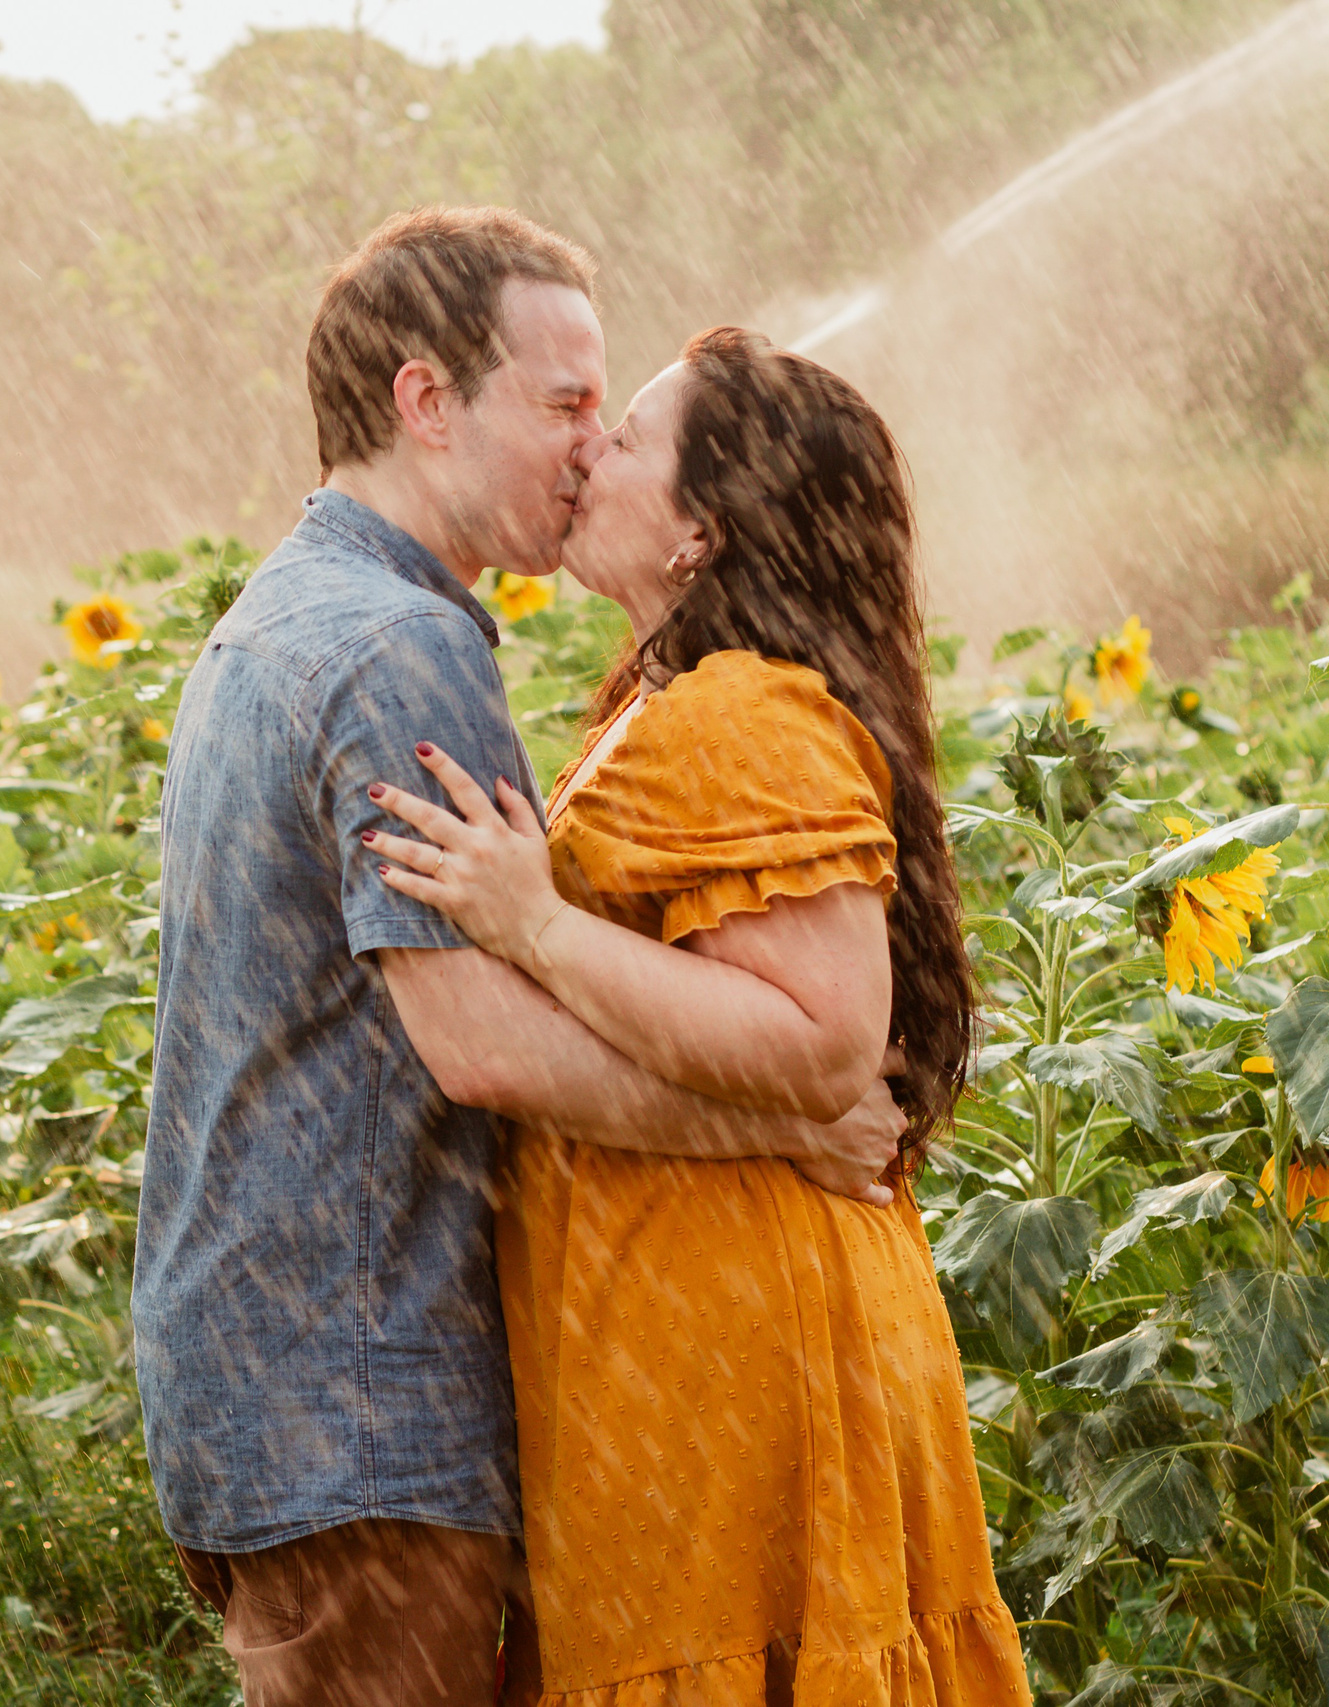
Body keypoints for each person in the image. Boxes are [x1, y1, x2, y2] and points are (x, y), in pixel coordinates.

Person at [135, 214, 910, 1705]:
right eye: (564, 407)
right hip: (360, 1411)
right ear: (430, 404)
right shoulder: (397, 651)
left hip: (285, 1401)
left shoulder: (296, 611)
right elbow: (483, 1041)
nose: (583, 450)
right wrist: (792, 1118)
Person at [367, 327, 1031, 1704]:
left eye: (634, 436)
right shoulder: (685, 701)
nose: (593, 445)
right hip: (702, 1336)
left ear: (702, 532)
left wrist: (534, 923)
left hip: (739, 1354)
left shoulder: (743, 713)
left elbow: (826, 1037)